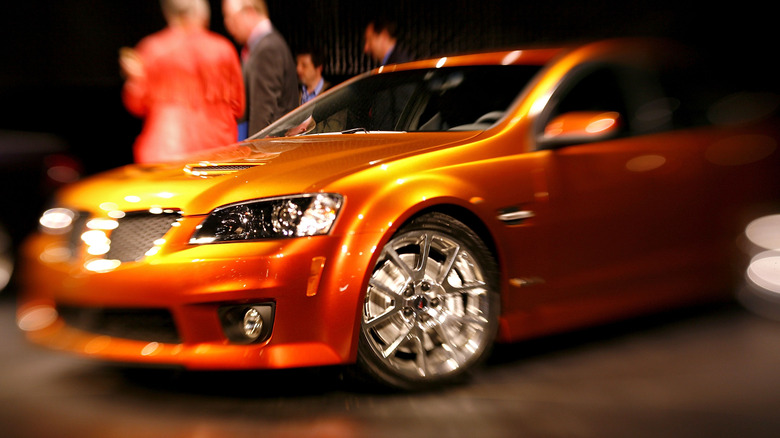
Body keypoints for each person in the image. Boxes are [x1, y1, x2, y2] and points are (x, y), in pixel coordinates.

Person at [120, 0, 244, 163]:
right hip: (217, 149)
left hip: (165, 152)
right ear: (202, 13)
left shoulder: (152, 49)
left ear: (169, 14)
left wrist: (133, 79)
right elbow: (239, 106)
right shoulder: (223, 49)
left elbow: (136, 104)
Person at [222, 0, 298, 137]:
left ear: (250, 12)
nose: (228, 25)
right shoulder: (262, 45)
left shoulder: (267, 48)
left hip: (269, 151)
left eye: (231, 18)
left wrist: (254, 155)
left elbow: (262, 113)